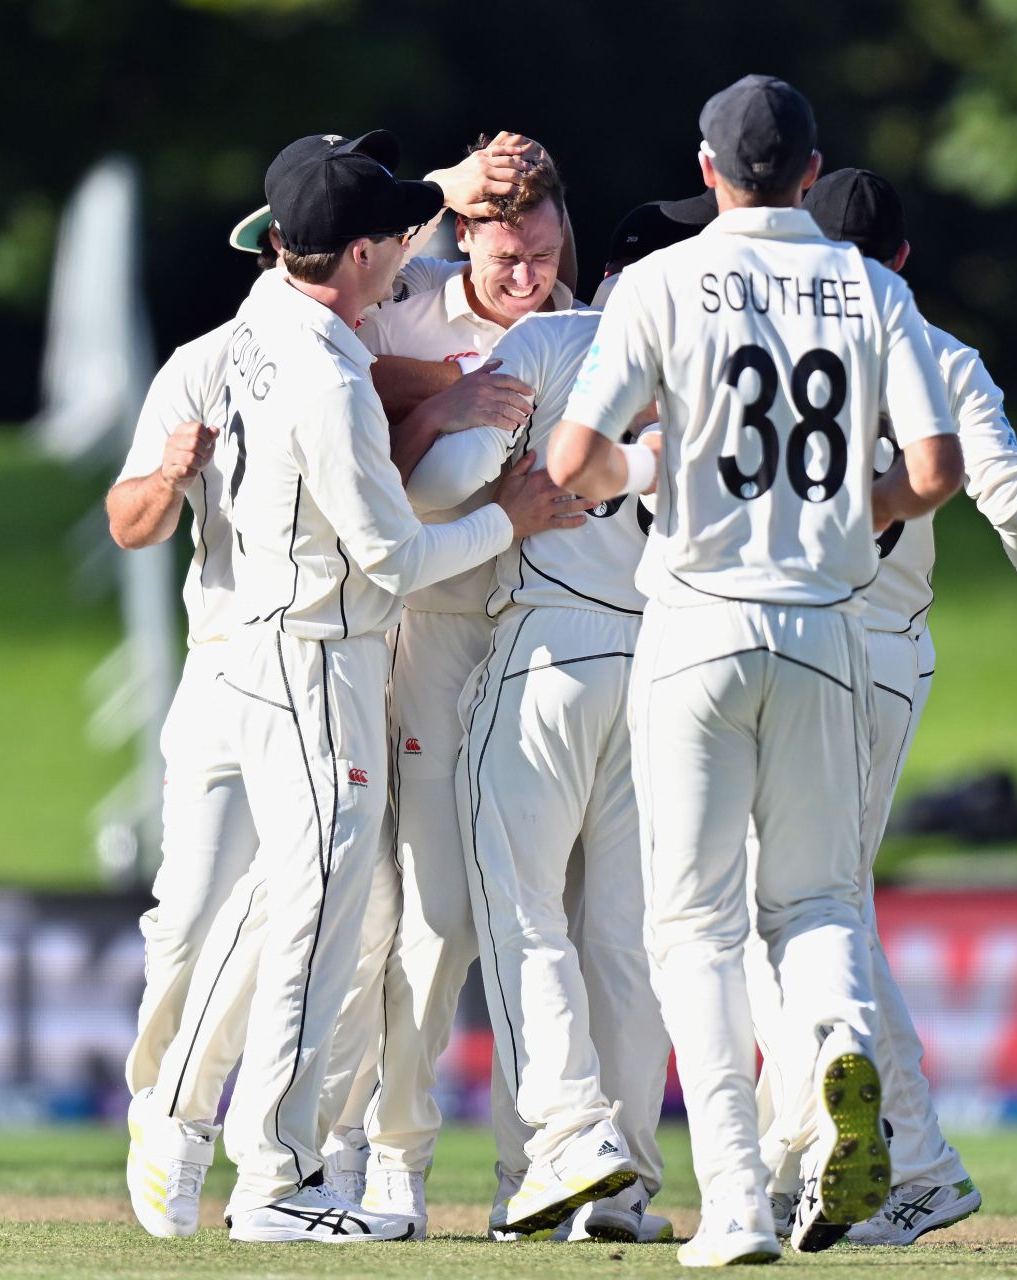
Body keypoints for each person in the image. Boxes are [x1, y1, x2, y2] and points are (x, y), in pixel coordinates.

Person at [129, 129, 583, 1246]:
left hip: (293, 650)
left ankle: (182, 1115)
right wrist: (509, 518)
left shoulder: (273, 327)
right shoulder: (326, 375)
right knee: (319, 915)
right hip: (315, 647)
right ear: (367, 254)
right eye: (401, 233)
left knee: (295, 902)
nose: (419, 244)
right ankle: (275, 1178)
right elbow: (396, 557)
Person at [552, 75, 966, 1266]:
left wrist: (648, 472)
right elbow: (933, 468)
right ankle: (837, 1044)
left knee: (694, 922)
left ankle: (735, 1197)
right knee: (819, 899)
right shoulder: (870, 284)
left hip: (698, 620)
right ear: (810, 165)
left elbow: (578, 461)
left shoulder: (666, 282)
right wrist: (850, 508)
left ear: (709, 167)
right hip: (830, 621)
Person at [743, 166, 1017, 1251]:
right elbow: (1012, 490)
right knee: (828, 902)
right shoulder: (943, 352)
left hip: (792, 639)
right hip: (889, 656)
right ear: (908, 260)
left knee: (795, 904)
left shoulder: (781, 342)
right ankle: (905, 1157)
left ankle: (843, 1146)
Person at [426, 196, 719, 1244]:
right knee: (627, 940)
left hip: (550, 648)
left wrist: (448, 451)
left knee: (521, 911)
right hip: (673, 664)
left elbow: (446, 481)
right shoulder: (718, 357)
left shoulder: (554, 338)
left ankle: (568, 1137)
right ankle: (626, 1185)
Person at [328, 143, 580, 1240]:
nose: (524, 272)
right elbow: (321, 364)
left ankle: (543, 1169)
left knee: (553, 917)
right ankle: (394, 1157)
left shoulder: (598, 319)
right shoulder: (412, 301)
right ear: (469, 234)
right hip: (432, 628)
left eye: (540, 250)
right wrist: (449, 393)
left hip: (555, 638)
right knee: (431, 920)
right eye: (505, 251)